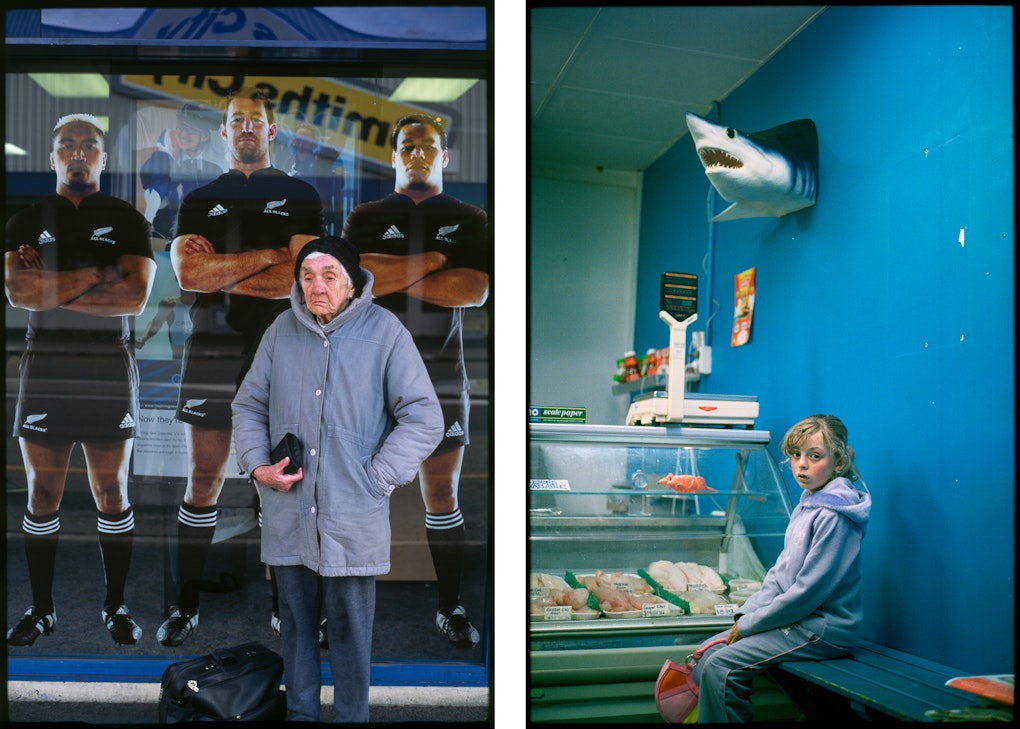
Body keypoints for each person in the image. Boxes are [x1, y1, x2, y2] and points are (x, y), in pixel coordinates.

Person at [232, 236, 443, 722]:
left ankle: (352, 718)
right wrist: (258, 466)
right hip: (290, 507)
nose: (317, 287)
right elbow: (248, 405)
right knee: (295, 626)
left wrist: (378, 477)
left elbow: (424, 417)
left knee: (350, 631)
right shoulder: (281, 330)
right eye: (307, 276)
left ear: (352, 284)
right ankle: (301, 715)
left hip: (352, 510)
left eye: (329, 276)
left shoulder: (385, 331)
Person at [157, 86, 325, 647]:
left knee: (281, 485)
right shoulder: (200, 199)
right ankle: (184, 605)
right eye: (237, 120)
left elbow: (303, 278)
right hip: (212, 350)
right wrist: (272, 256)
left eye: (256, 119)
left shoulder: (300, 195)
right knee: (203, 479)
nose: (247, 127)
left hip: (283, 351)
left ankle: (284, 608)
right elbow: (190, 275)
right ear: (224, 132)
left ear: (271, 130)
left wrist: (226, 269)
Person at [4, 113, 156, 647]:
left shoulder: (126, 219)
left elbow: (134, 297)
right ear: (52, 158)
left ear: (102, 158)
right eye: (67, 144)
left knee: (111, 491)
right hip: (47, 365)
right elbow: (19, 293)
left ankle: (115, 606)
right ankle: (41, 609)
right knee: (42, 492)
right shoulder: (27, 220)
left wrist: (51, 281)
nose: (77, 152)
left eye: (88, 144)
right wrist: (99, 273)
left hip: (107, 366)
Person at [342, 113, 489, 648]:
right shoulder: (366, 215)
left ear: (444, 156)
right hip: (367, 374)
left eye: (428, 146)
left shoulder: (469, 218)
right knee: (351, 491)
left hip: (441, 377)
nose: (418, 153)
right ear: (395, 155)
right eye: (407, 146)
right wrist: (432, 261)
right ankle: (339, 610)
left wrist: (392, 272)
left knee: (442, 493)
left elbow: (472, 289)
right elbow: (356, 283)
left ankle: (450, 607)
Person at [691, 414, 872, 723]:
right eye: (796, 455)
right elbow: (780, 573)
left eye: (815, 456)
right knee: (705, 655)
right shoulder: (809, 502)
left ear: (839, 462)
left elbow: (808, 592)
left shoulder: (834, 515)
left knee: (721, 666)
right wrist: (748, 614)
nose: (801, 465)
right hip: (797, 621)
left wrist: (750, 626)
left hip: (822, 629)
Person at [139, 102, 224, 241]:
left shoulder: (219, 149)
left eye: (191, 130)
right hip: (170, 194)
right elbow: (158, 181)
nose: (183, 134)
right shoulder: (170, 139)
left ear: (205, 136)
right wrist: (148, 219)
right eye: (180, 127)